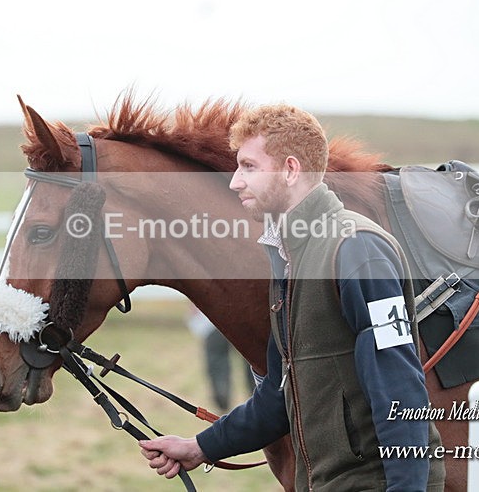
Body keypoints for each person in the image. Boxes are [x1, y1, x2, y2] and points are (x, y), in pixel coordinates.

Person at [140, 104, 445, 491]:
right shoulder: (288, 257)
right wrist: (200, 447)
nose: (235, 182)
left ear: (289, 169)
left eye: (249, 167)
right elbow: (276, 396)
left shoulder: (356, 250)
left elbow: (399, 389)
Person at [186, 304, 256, 411]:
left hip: (213, 320)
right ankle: (256, 399)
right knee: (252, 362)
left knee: (218, 362)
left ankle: (223, 402)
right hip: (244, 316)